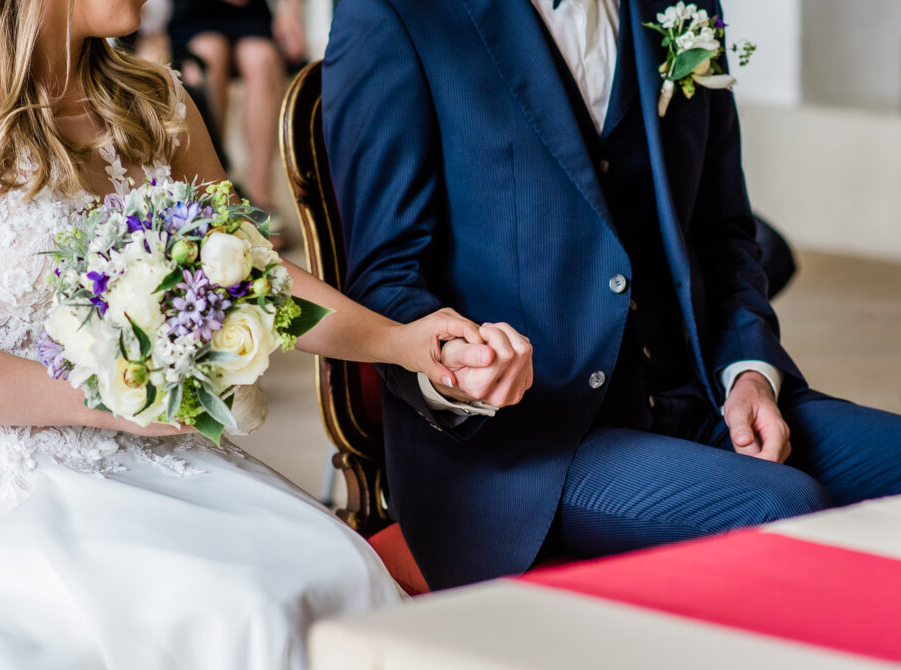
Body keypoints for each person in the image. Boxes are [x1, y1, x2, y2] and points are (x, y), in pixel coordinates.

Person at [0, 1, 507, 670]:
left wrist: (404, 342)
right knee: (235, 611)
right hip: (8, 493)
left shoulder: (154, 101)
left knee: (329, 572)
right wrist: (108, 403)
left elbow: (254, 276)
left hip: (172, 463)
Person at [322, 0, 901, 590]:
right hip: (532, 443)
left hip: (693, 392)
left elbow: (724, 233)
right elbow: (384, 275)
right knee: (785, 508)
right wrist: (451, 361)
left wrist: (748, 372)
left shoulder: (686, 5)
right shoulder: (395, 11)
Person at [168, 0, 306, 247]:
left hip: (251, 13)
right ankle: (213, 193)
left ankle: (261, 198)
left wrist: (290, 14)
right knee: (207, 54)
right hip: (195, 14)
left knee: (262, 58)